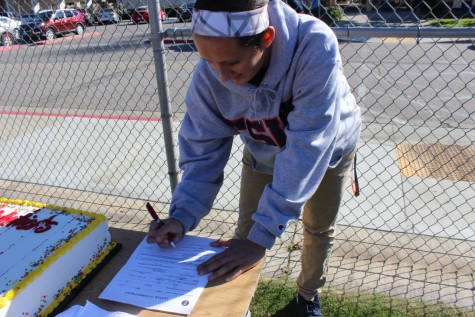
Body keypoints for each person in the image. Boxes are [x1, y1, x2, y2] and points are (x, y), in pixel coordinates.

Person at [147, 0, 361, 316]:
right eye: (208, 61)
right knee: (246, 230)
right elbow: (202, 152)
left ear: (267, 38)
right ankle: (238, 302)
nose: (220, 76)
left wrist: (261, 239)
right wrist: (182, 215)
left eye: (231, 64)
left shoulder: (314, 45)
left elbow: (308, 147)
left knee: (316, 227)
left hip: (328, 150)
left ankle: (308, 294)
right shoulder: (211, 75)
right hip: (263, 146)